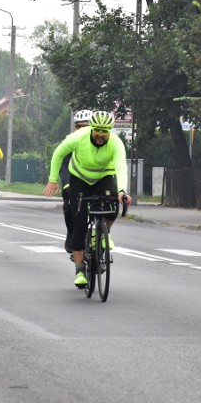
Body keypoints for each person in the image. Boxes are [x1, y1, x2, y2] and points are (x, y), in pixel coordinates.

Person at [43, 110, 130, 288]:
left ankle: (106, 233)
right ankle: (80, 270)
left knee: (113, 205)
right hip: (80, 177)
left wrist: (122, 191)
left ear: (110, 131)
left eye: (104, 131)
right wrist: (53, 180)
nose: (100, 135)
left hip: (104, 175)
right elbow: (58, 154)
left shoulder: (116, 143)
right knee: (80, 222)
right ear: (91, 128)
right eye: (97, 130)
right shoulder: (79, 137)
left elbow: (121, 167)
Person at [59, 110, 94, 252]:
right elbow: (64, 163)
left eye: (85, 127)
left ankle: (102, 236)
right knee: (68, 203)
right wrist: (67, 184)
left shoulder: (100, 141)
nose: (82, 130)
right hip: (76, 181)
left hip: (96, 181)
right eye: (79, 127)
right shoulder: (71, 141)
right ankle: (71, 233)